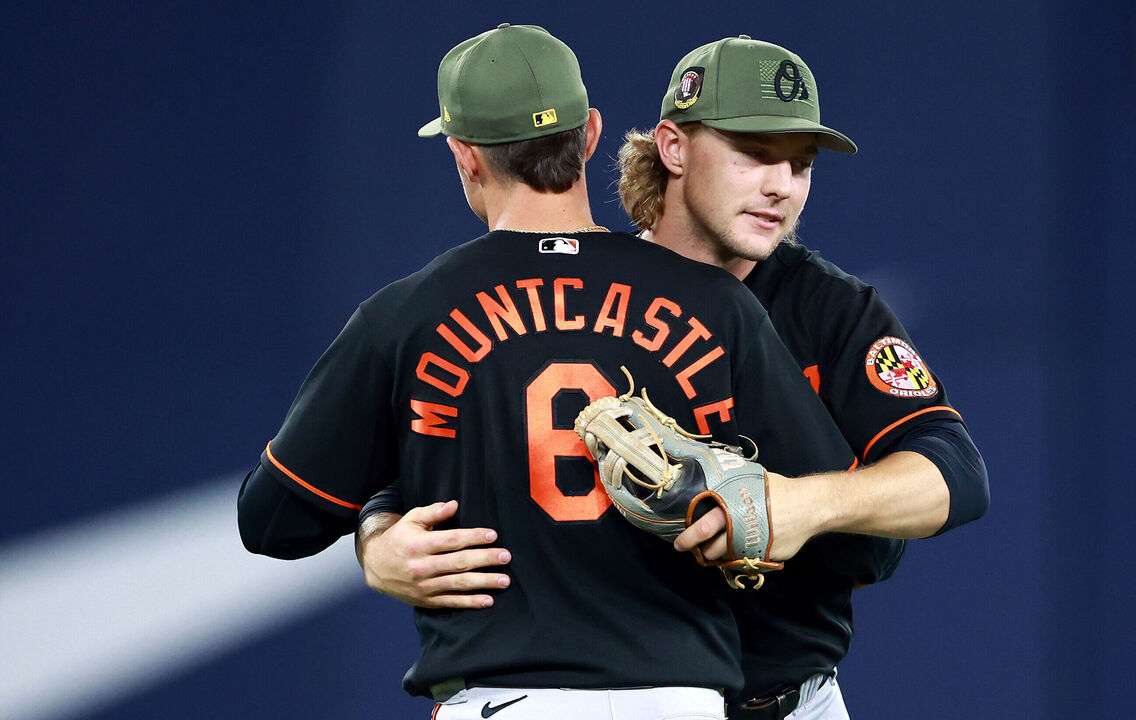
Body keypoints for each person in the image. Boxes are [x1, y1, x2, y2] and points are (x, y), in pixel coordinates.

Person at [356, 35, 990, 720]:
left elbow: (953, 473)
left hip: (789, 699)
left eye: (800, 165)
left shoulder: (831, 309)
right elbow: (424, 454)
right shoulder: (577, 293)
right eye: (753, 154)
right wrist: (377, 539)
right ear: (674, 148)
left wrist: (804, 504)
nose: (781, 185)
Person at [237, 24, 859, 720]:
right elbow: (860, 548)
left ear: (465, 155)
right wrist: (761, 510)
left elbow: (273, 520)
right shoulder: (715, 304)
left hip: (504, 699)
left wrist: (375, 535)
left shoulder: (407, 316)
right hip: (680, 700)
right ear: (590, 136)